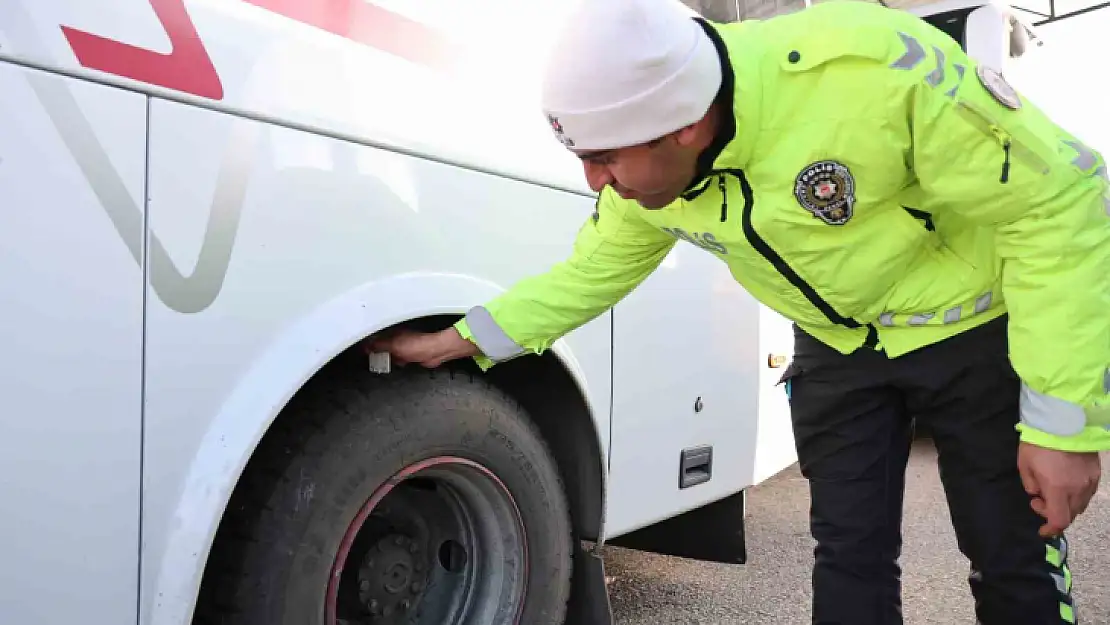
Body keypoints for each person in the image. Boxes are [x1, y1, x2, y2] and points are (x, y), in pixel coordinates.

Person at [368, 0, 1109, 622]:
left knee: (1012, 556)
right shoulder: (650, 178)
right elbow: (587, 274)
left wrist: (1063, 422)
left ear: (684, 127)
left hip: (969, 334)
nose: (595, 181)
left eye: (606, 158)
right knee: (848, 558)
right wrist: (462, 340)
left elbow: (1062, 202)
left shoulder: (871, 71)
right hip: (838, 350)